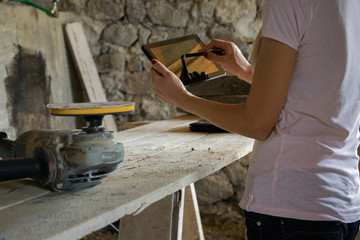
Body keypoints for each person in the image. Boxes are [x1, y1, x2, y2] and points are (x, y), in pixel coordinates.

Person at [150, 0, 360, 239]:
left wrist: (181, 98)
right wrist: (245, 70)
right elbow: (319, 91)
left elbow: (257, 123)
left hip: (291, 207)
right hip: (342, 203)